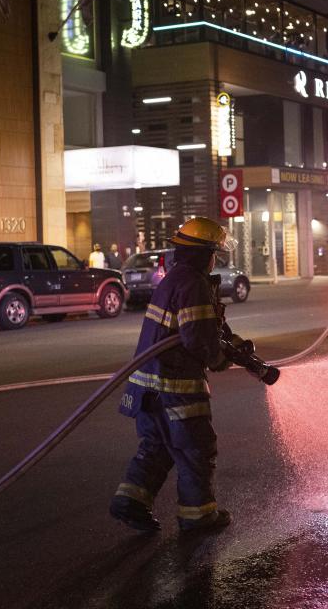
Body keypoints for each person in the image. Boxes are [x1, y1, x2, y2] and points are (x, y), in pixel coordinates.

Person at [110, 217, 236, 533]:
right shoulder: (193, 284)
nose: (215, 260)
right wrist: (219, 359)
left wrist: (236, 346)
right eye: (214, 253)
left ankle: (130, 502)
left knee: (158, 447)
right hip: (175, 386)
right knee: (195, 448)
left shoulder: (175, 279)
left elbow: (208, 328)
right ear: (204, 253)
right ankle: (199, 517)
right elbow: (198, 338)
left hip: (147, 386)